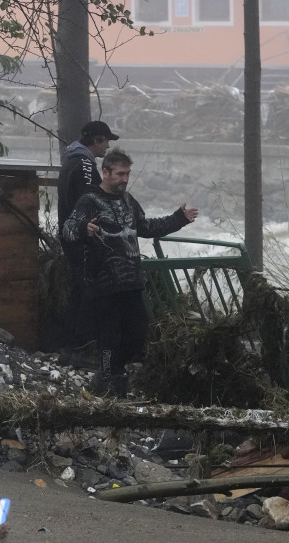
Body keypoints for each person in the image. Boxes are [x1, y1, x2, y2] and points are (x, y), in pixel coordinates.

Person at [62, 147, 199, 397]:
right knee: (108, 339)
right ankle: (109, 379)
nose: (125, 179)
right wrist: (84, 228)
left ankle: (110, 372)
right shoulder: (89, 201)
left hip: (131, 282)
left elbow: (146, 227)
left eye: (128, 174)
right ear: (105, 173)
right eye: (120, 174)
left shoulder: (128, 200)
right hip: (103, 284)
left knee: (138, 335)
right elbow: (67, 230)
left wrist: (179, 218)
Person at [56, 120, 120, 367]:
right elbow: (88, 202)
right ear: (96, 140)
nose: (107, 147)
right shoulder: (84, 164)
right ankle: (79, 350)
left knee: (77, 292)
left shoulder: (71, 160)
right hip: (82, 238)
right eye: (106, 141)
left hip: (70, 235)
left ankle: (68, 348)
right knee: (88, 293)